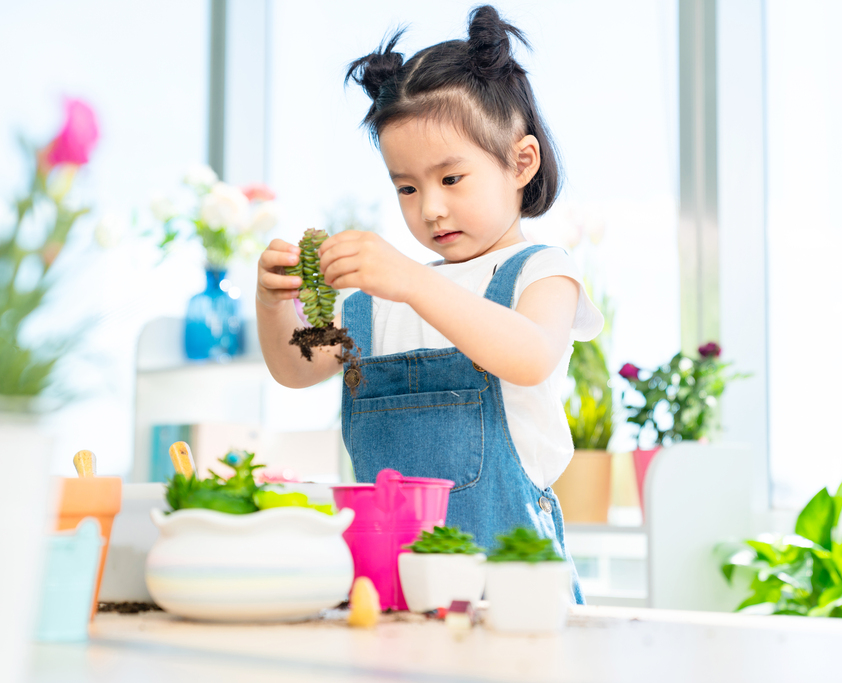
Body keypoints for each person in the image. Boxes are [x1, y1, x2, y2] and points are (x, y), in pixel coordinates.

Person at [256, 5, 603, 602]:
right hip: (390, 597)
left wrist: (412, 281)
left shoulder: (540, 272)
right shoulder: (375, 302)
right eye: (407, 188)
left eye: (451, 179)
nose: (430, 209)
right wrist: (273, 304)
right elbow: (296, 366)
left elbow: (529, 356)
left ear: (520, 163)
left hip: (511, 596)